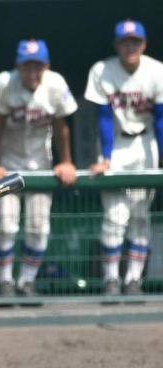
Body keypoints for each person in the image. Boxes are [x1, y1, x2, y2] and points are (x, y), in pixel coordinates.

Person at [0, 39, 78, 298]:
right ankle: (4, 282)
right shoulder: (5, 81)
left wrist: (66, 160)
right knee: (5, 224)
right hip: (9, 161)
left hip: (40, 162)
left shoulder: (56, 83)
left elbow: (61, 127)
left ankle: (26, 282)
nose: (32, 72)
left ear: (47, 66)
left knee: (38, 225)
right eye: (27, 66)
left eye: (38, 66)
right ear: (18, 66)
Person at [84, 19, 163, 297]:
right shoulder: (102, 70)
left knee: (140, 216)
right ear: (116, 45)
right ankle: (111, 279)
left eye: (135, 41)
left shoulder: (157, 70)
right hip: (115, 143)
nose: (130, 47)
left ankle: (133, 280)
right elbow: (104, 117)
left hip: (145, 142)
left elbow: (161, 118)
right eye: (124, 42)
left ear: (144, 44)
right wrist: (106, 158)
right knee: (115, 216)